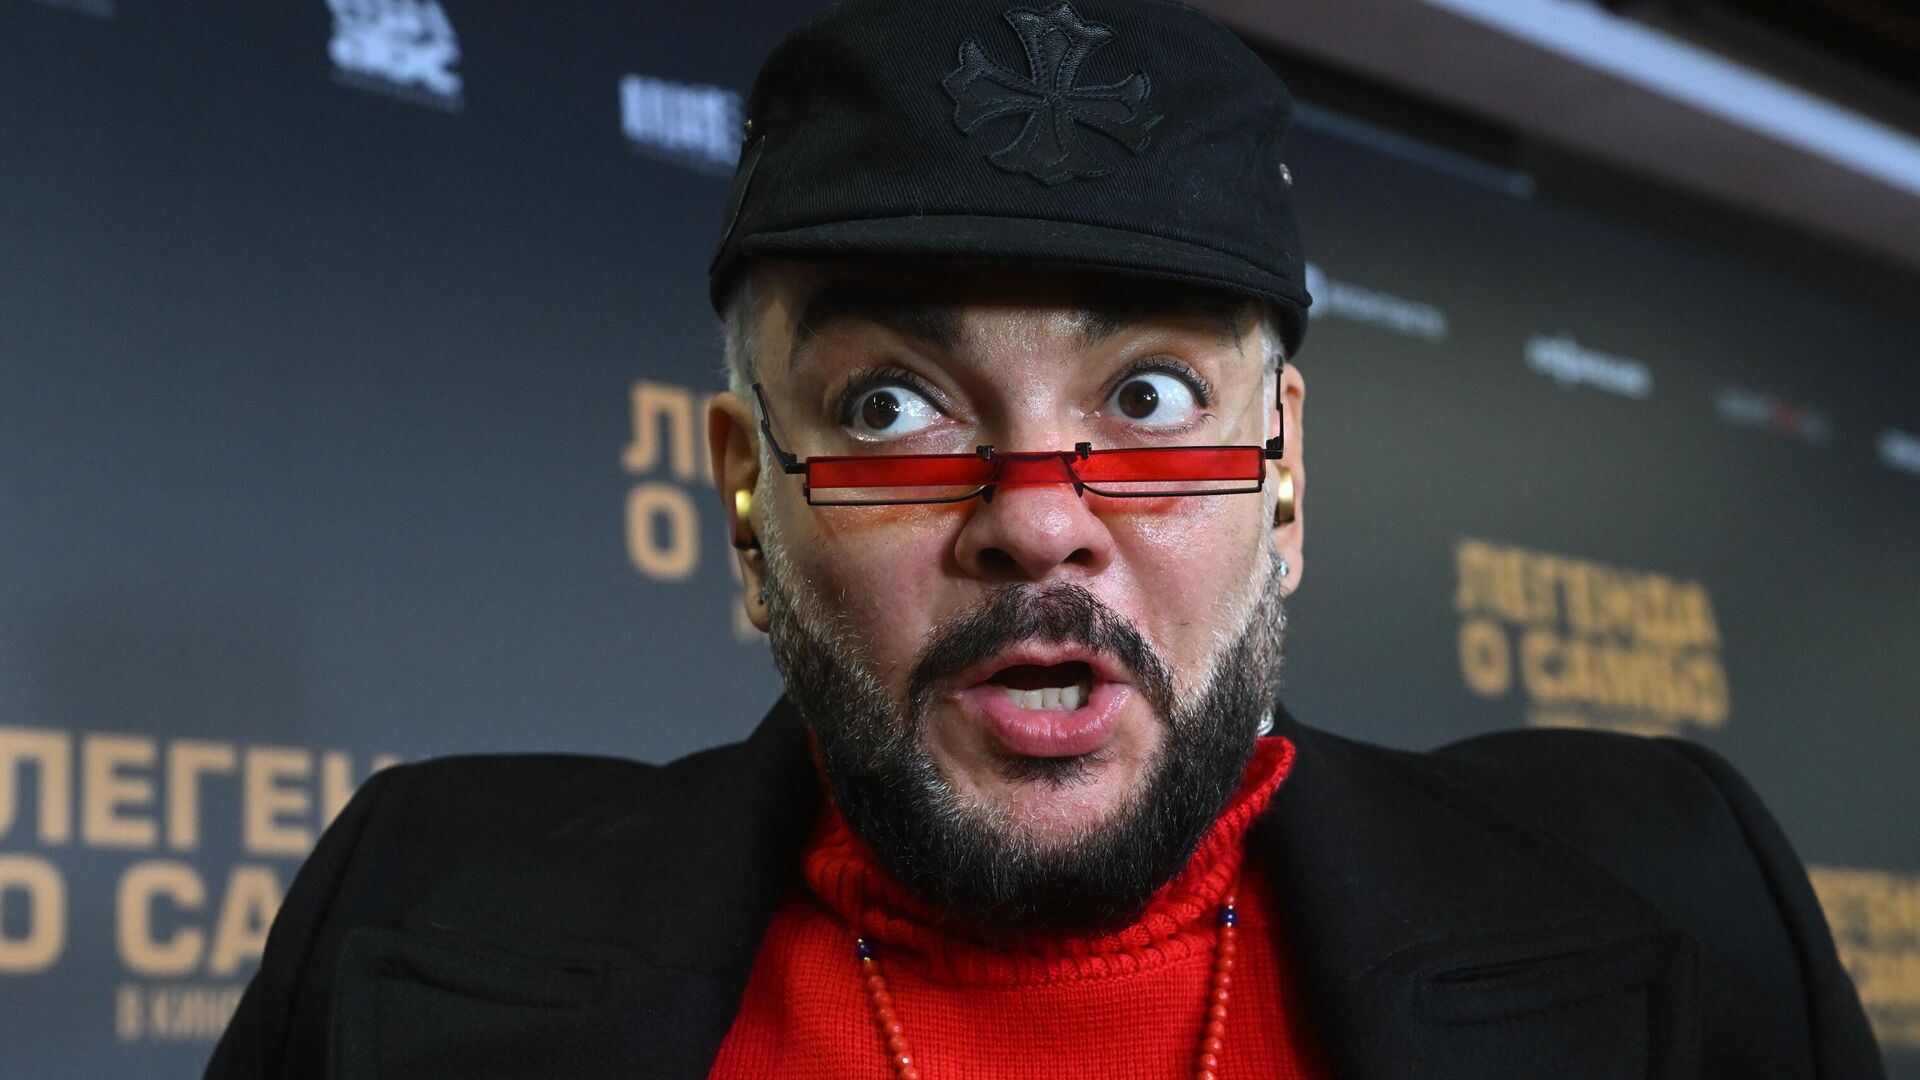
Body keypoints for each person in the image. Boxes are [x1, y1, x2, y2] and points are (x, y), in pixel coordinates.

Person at [207, 1, 1884, 1077]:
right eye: (890, 407)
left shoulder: (1681, 895)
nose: (1035, 518)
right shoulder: (412, 911)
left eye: (1148, 395)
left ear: (1287, 480)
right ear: (747, 498)